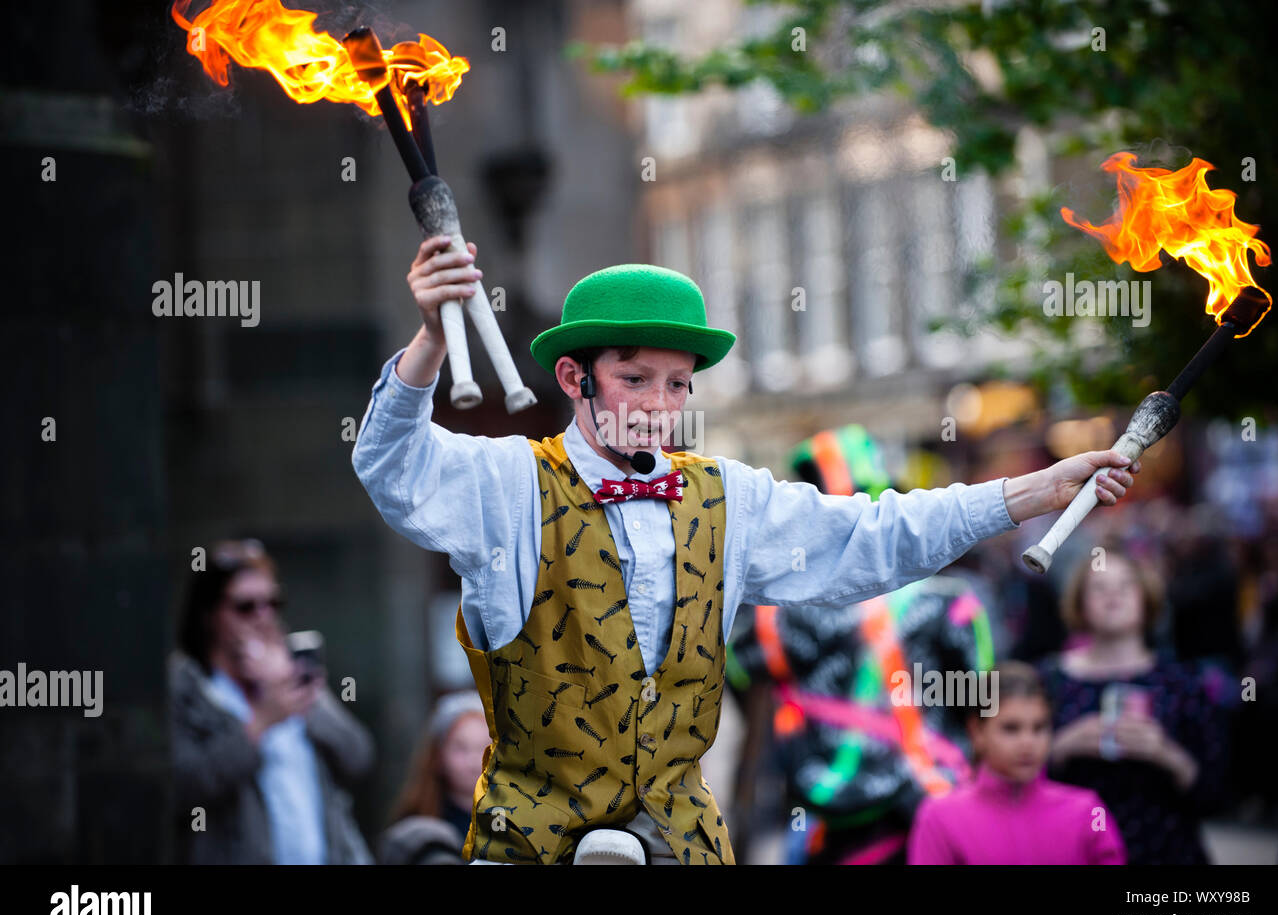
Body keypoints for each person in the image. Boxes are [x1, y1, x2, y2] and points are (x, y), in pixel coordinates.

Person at [350, 234, 1142, 865]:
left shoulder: (730, 496)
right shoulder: (506, 484)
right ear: (573, 376)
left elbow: (875, 536)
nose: (662, 406)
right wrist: (429, 338)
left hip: (683, 845)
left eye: (678, 383)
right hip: (530, 847)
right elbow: (392, 465)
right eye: (636, 378)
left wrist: (1035, 490)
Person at [725, 425, 995, 864]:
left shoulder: (773, 614)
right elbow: (983, 709)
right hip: (938, 803)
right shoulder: (952, 602)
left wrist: (739, 833)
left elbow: (753, 724)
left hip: (828, 810)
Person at [169, 538, 375, 864]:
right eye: (245, 606)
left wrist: (301, 691)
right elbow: (184, 786)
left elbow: (357, 755)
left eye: (273, 603)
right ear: (209, 614)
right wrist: (262, 722)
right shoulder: (189, 688)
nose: (263, 617)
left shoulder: (287, 670)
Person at [1037, 543, 1229, 864]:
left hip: (1165, 854)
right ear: (1080, 603)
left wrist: (1165, 754)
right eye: (1099, 587)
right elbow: (1008, 776)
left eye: (1126, 585)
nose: (1114, 595)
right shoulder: (1049, 680)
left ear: (1147, 599)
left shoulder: (1182, 683)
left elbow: (1218, 792)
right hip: (1070, 851)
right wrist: (1062, 747)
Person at [907, 661, 1126, 864]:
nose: (1027, 742)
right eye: (1011, 728)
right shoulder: (939, 818)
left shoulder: (1090, 812)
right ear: (977, 732)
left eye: (1039, 728)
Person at [378, 690, 491, 864]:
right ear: (438, 755)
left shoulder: (515, 823)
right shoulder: (414, 830)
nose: (473, 760)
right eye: (461, 748)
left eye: (484, 748)